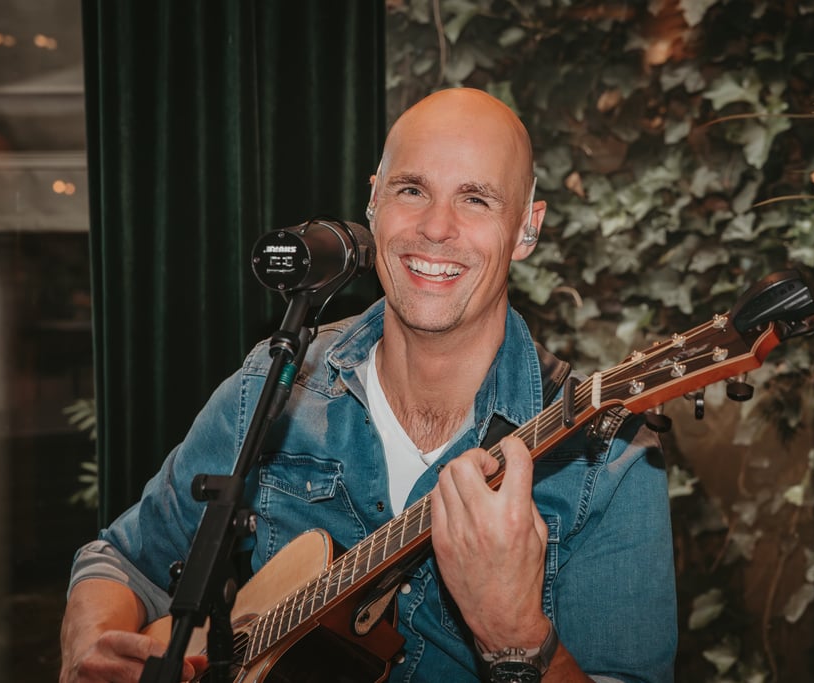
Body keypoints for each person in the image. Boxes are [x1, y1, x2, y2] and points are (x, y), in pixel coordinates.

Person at [59, 87, 678, 683]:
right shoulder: (276, 384)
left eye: (475, 199)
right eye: (412, 190)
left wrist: (514, 635)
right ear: (374, 201)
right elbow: (124, 559)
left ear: (526, 229)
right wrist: (89, 646)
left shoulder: (608, 457)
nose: (436, 227)